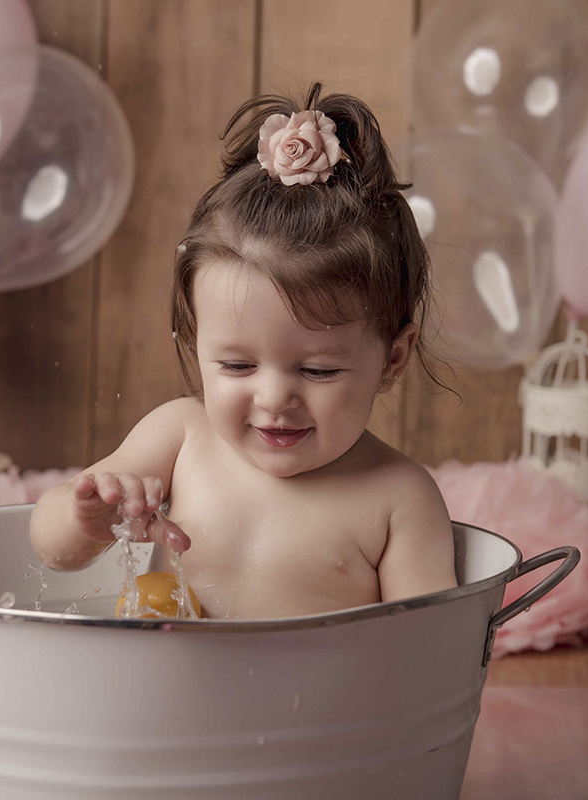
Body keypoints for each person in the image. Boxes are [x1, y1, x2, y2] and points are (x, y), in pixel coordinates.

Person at [31, 83, 458, 618]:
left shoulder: (398, 498)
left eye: (319, 370)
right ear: (194, 341)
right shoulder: (182, 436)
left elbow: (431, 650)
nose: (275, 397)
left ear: (393, 359)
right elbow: (51, 548)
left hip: (319, 703)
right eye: (236, 365)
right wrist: (85, 520)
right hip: (159, 698)